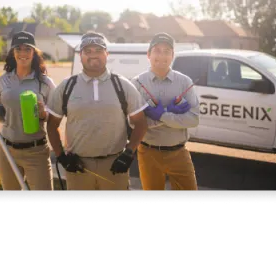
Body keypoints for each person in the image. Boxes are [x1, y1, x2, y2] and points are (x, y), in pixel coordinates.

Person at [45, 32, 148, 191]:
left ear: (107, 54)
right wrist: (62, 157)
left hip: (114, 165)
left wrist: (128, 154)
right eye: (88, 51)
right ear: (80, 55)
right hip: (78, 166)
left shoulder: (122, 85)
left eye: (98, 50)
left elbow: (141, 123)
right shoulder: (67, 87)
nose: (93, 55)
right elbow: (52, 126)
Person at [0, 31, 56, 191]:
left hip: (36, 152)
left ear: (34, 53)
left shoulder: (45, 83)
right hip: (7, 151)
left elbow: (55, 119)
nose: (23, 53)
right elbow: (2, 116)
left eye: (27, 49)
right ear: (13, 52)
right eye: (18, 49)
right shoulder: (4, 80)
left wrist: (44, 114)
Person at [132, 33, 200, 191]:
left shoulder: (185, 82)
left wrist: (162, 115)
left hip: (179, 153)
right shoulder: (137, 84)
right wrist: (172, 115)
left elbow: (193, 119)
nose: (162, 55)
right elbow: (134, 123)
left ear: (172, 56)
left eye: (167, 51)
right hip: (148, 153)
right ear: (148, 55)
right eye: (157, 50)